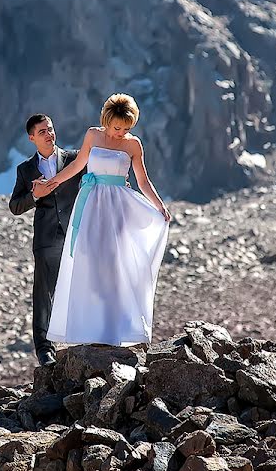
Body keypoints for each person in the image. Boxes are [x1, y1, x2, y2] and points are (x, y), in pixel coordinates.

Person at [42, 94, 170, 347]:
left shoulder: (133, 145)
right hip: (90, 203)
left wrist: (160, 205)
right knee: (88, 261)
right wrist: (53, 181)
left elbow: (142, 181)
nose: (121, 133)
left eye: (127, 128)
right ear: (107, 120)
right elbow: (79, 164)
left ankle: (114, 329)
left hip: (118, 208)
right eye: (117, 127)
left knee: (114, 265)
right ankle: (88, 327)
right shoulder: (93, 135)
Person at [9, 114, 85, 366]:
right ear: (32, 138)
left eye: (51, 129)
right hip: (46, 239)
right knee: (44, 293)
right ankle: (44, 350)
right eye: (42, 132)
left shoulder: (75, 158)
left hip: (78, 235)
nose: (49, 134)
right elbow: (15, 206)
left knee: (84, 285)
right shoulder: (25, 170)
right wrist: (34, 194)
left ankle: (89, 339)